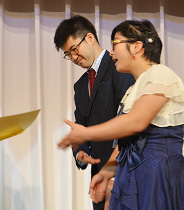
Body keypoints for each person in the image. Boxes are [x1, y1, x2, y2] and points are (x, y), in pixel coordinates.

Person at [58, 19, 184, 210]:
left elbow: (135, 123)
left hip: (157, 177)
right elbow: (126, 142)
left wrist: (86, 133)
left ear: (137, 47)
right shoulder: (134, 89)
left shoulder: (161, 74)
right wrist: (105, 173)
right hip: (133, 175)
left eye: (115, 44)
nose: (111, 52)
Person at [54, 15, 134, 209]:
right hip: (99, 180)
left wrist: (113, 174)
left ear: (90, 38)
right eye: (68, 54)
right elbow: (80, 127)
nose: (73, 58)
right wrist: (80, 152)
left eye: (74, 49)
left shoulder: (119, 67)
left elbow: (129, 125)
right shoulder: (80, 86)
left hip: (126, 175)